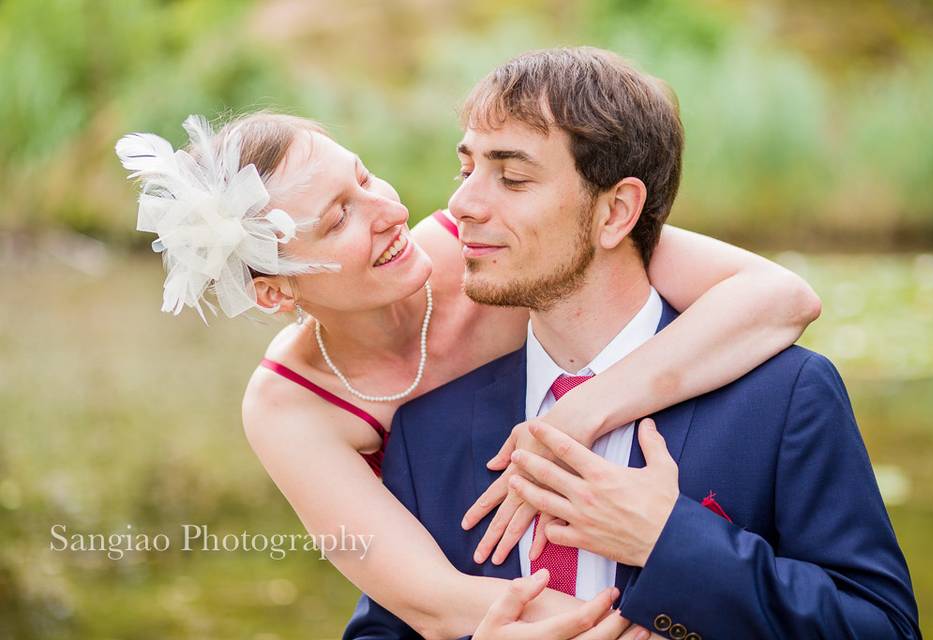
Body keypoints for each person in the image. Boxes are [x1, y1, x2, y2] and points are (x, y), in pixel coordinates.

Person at [116, 83, 821, 639]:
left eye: (363, 177)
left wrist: (577, 415)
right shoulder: (290, 408)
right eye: (339, 218)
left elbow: (779, 297)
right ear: (274, 294)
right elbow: (432, 601)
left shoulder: (490, 243)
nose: (387, 208)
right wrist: (640, 622)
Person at [343, 47, 920, 639]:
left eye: (512, 177)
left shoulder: (786, 395)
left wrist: (669, 538)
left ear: (616, 211)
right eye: (466, 171)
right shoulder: (428, 428)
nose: (461, 205)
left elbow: (883, 627)